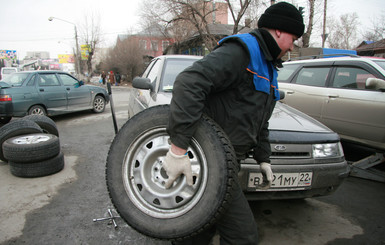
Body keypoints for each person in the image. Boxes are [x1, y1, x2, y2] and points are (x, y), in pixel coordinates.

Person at [163, 2, 304, 245]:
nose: (294, 45)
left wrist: (263, 158)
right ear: (279, 30)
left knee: (202, 226)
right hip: (212, 160)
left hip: (229, 161)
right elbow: (189, 82)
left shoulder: (269, 67)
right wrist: (178, 148)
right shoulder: (242, 52)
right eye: (294, 37)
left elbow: (260, 118)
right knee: (243, 235)